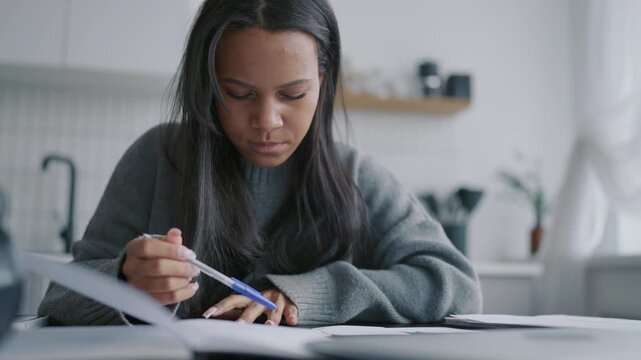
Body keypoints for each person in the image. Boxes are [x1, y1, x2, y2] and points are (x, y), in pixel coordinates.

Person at [39, 0, 482, 327]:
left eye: (292, 94)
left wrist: (306, 293)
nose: (267, 122)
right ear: (209, 85)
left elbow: (457, 286)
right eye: (239, 93)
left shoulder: (356, 177)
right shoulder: (158, 158)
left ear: (323, 83)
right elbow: (58, 297)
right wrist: (124, 280)